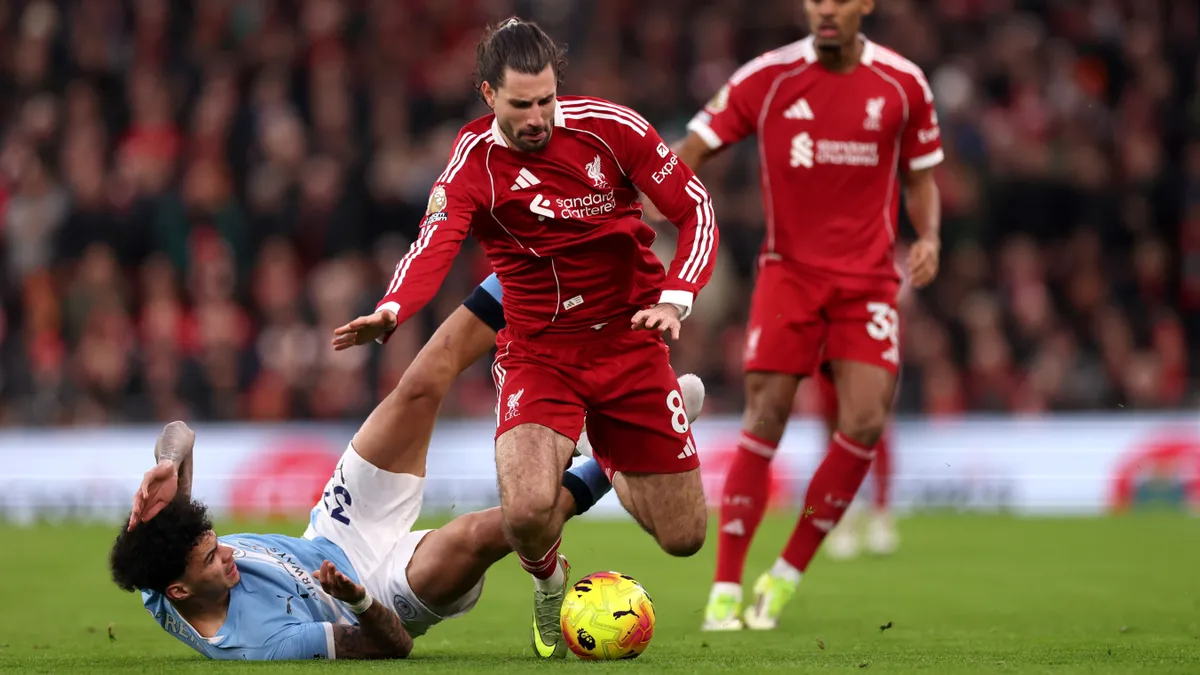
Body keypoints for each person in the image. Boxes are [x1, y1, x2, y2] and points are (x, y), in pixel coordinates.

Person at [331, 18, 718, 657]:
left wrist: (677, 295)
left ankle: (604, 445)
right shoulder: (472, 163)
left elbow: (695, 207)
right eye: (521, 104)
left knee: (683, 536)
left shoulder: (612, 129)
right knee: (525, 510)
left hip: (629, 342)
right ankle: (548, 583)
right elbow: (434, 243)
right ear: (489, 95)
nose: (538, 116)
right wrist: (393, 306)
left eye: (546, 100)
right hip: (540, 353)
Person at [109, 276, 707, 660]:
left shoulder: (157, 574)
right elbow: (389, 650)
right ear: (183, 591)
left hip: (333, 530)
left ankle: (535, 259)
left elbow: (181, 435)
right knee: (498, 527)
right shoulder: (257, 645)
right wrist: (359, 598)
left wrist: (168, 461)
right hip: (379, 594)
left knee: (418, 385)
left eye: (219, 545)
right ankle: (608, 458)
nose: (231, 554)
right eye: (215, 560)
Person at [669, 0, 943, 631]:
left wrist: (927, 237)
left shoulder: (904, 84)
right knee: (765, 415)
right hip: (787, 275)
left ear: (864, 6)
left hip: (868, 283)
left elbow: (923, 175)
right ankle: (726, 589)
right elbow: (691, 150)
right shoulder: (766, 79)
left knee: (867, 421)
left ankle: (787, 572)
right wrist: (653, 208)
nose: (825, 10)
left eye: (840, 0)